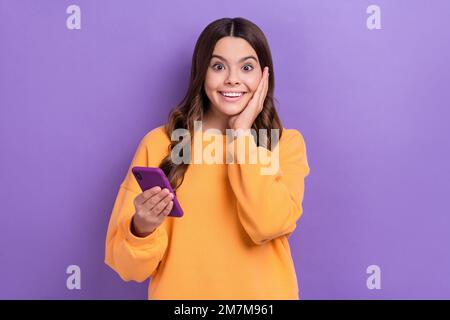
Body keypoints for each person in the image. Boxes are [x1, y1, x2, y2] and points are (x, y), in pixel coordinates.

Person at [104, 17, 310, 300]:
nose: (232, 79)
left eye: (246, 67)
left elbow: (268, 225)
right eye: (218, 66)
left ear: (264, 76)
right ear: (202, 73)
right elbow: (127, 268)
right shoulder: (161, 143)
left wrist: (240, 135)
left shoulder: (284, 145)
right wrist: (141, 228)